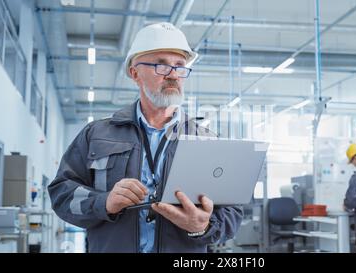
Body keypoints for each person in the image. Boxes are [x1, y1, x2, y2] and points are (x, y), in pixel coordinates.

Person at [48, 22, 243, 253]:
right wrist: (104, 203)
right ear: (134, 73)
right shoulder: (96, 135)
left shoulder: (208, 141)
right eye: (160, 65)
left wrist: (202, 227)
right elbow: (62, 195)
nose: (172, 74)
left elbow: (232, 213)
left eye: (180, 66)